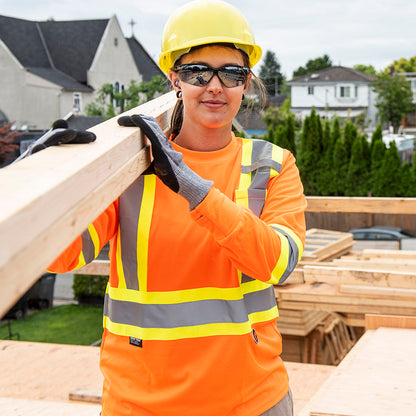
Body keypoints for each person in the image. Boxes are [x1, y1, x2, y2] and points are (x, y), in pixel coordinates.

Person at [49, 1, 306, 415]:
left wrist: (191, 187)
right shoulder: (131, 168)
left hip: (250, 402)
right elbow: (62, 255)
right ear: (175, 79)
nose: (215, 86)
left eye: (232, 73)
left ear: (247, 82)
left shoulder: (270, 165)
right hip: (140, 404)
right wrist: (50, 179)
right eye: (197, 72)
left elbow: (277, 263)